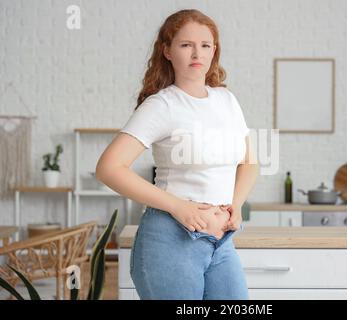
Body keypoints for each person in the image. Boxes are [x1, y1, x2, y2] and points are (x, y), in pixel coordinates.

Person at [95, 9, 259, 300]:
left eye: (205, 45)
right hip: (170, 240)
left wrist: (235, 205)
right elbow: (109, 168)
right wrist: (178, 206)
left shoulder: (227, 100)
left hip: (221, 242)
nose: (197, 53)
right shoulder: (162, 106)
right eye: (186, 45)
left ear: (214, 51)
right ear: (167, 51)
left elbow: (250, 162)